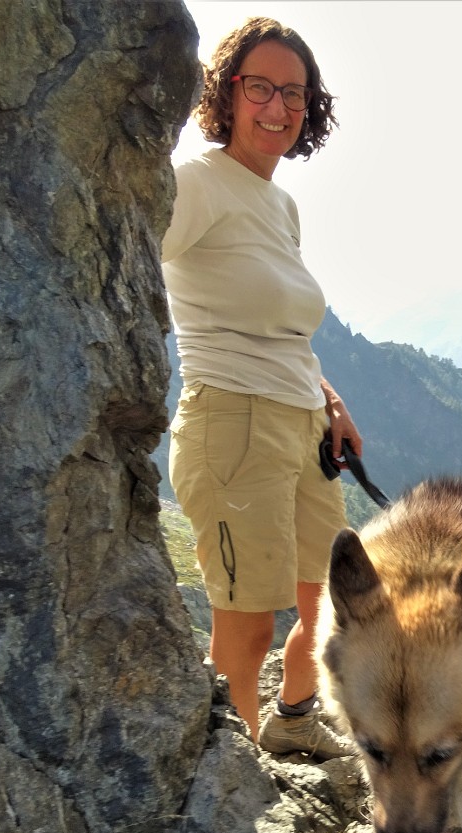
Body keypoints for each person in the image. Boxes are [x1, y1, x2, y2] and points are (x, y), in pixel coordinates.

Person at [162, 16, 357, 759]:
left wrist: (331, 403)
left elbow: (286, 332)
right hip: (233, 424)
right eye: (261, 88)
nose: (279, 107)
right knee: (245, 626)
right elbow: (132, 256)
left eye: (295, 93)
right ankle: (230, 795)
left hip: (303, 425)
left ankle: (294, 719)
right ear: (227, 93)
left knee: (331, 604)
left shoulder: (279, 203)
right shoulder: (197, 185)